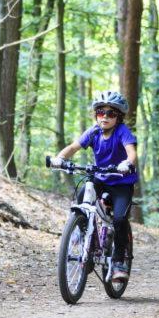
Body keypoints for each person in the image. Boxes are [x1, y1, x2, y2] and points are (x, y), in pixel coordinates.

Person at [50, 91, 138, 281]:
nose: (105, 117)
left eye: (111, 113)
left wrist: (127, 164)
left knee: (120, 219)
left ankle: (119, 259)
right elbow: (73, 147)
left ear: (119, 117)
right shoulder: (93, 132)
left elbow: (131, 153)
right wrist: (60, 158)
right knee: (83, 193)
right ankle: (85, 237)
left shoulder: (122, 132)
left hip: (121, 182)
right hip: (101, 178)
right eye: (100, 112)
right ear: (96, 115)